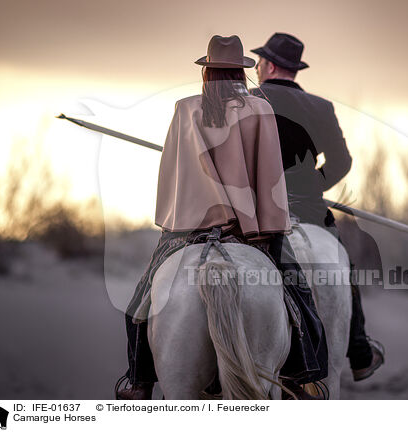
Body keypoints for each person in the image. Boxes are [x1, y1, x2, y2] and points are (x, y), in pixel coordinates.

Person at [116, 35, 328, 400]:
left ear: (207, 71)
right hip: (249, 230)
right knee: (298, 291)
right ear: (242, 72)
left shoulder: (185, 108)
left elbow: (174, 171)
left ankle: (138, 381)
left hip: (189, 227)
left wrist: (175, 217)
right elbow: (269, 174)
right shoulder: (259, 109)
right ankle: (306, 374)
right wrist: (267, 226)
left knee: (140, 301)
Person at [250, 32, 385, 381]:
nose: (259, 67)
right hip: (309, 210)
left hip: (259, 209)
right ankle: (359, 352)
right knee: (342, 266)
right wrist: (312, 186)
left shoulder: (251, 100)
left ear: (271, 65)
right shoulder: (321, 107)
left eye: (261, 61)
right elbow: (341, 161)